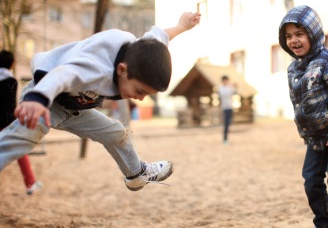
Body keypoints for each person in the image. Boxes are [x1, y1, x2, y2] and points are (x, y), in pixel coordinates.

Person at [0, 12, 201, 191]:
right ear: (122, 69)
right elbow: (62, 75)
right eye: (139, 91)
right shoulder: (95, 66)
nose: (140, 98)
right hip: (47, 97)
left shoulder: (140, 54)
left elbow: (159, 36)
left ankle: (136, 174)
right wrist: (37, 99)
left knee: (117, 133)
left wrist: (182, 26)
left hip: (77, 108)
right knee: (23, 138)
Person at [278, 5, 328, 228]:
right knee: (311, 180)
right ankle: (323, 224)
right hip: (315, 137)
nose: (293, 40)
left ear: (313, 34)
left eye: (299, 34)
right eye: (288, 36)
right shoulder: (294, 68)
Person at [0, 50, 43, 195]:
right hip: (6, 121)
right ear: (12, 64)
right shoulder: (11, 80)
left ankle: (31, 183)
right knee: (20, 152)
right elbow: (11, 105)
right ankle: (30, 184)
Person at [218, 75, 237, 145]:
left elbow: (235, 92)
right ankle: (225, 139)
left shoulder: (229, 88)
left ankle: (226, 138)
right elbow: (225, 94)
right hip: (225, 108)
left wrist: (235, 87)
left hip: (230, 107)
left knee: (229, 123)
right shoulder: (221, 88)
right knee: (226, 123)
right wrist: (231, 87)